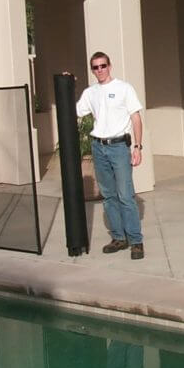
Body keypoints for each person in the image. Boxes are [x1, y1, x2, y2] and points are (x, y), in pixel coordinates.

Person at [75, 51, 145, 260]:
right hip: (98, 147)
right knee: (108, 196)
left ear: (109, 66)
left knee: (125, 195)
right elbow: (76, 111)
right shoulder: (90, 92)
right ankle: (118, 237)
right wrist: (69, 82)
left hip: (118, 147)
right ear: (92, 70)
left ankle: (135, 241)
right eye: (95, 67)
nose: (100, 70)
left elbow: (136, 118)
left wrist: (138, 147)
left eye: (103, 66)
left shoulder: (124, 88)